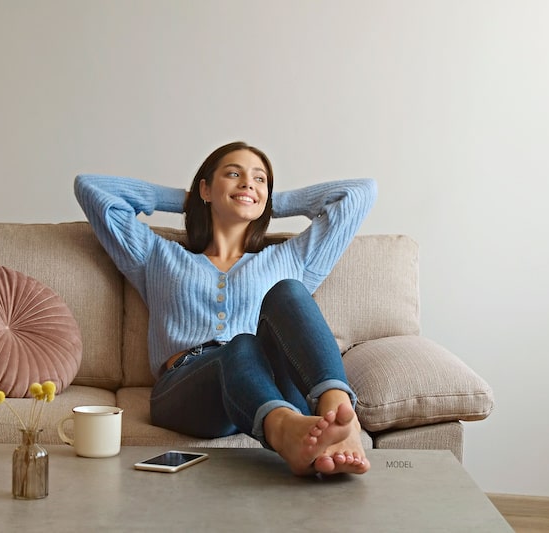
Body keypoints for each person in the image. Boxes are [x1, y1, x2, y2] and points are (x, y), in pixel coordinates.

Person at [74, 141, 377, 475]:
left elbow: (360, 193)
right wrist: (189, 200)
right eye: (233, 174)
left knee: (289, 291)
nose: (248, 183)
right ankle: (283, 429)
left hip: (274, 383)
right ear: (205, 187)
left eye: (260, 179)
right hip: (189, 390)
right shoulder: (156, 256)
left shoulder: (292, 258)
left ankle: (337, 411)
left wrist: (270, 202)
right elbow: (91, 188)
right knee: (242, 343)